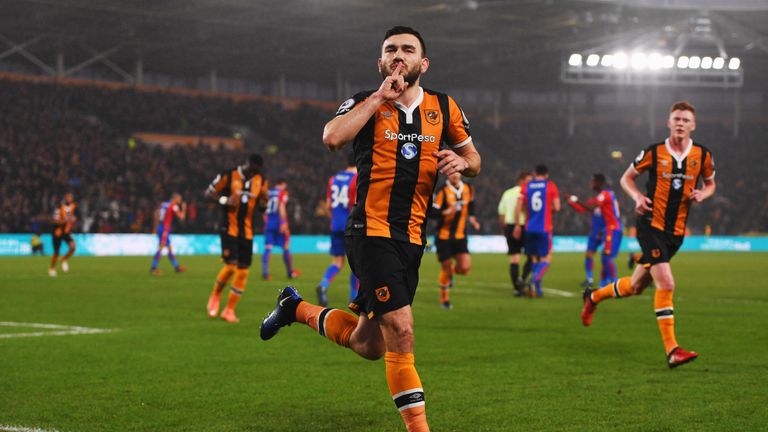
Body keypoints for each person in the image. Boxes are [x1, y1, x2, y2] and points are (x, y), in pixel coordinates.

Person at [259, 26, 481, 432]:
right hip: (370, 230)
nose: (399, 55)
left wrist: (464, 163)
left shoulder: (445, 107)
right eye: (390, 50)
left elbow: (475, 158)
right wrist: (381, 95)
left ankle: (296, 308)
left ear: (423, 63)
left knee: (369, 345)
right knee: (402, 328)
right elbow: (332, 137)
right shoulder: (365, 102)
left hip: (412, 238)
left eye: (408, 50)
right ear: (380, 62)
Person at [581, 101, 716, 369]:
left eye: (685, 120)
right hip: (649, 223)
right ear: (668, 122)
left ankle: (593, 297)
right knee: (666, 283)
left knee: (636, 286)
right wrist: (637, 197)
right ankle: (672, 350)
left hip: (675, 233)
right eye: (676, 118)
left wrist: (703, 193)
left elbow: (711, 183)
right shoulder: (654, 152)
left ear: (693, 125)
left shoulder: (703, 155)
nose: (680, 123)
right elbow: (626, 178)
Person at [204, 154, 269, 323]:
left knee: (243, 271)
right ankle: (216, 296)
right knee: (231, 267)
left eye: (256, 171)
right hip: (229, 228)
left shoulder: (261, 181)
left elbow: (262, 208)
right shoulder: (228, 175)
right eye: (252, 170)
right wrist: (225, 200)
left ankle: (229, 310)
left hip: (247, 232)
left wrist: (264, 202)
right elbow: (208, 193)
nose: (253, 174)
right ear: (246, 164)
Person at [315, 153, 359, 307]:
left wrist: (334, 220)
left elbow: (328, 206)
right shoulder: (357, 179)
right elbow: (357, 204)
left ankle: (324, 284)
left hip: (335, 226)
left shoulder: (333, 179)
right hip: (352, 226)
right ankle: (354, 298)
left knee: (337, 262)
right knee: (357, 264)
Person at [431, 172, 480, 309]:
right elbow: (432, 211)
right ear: (448, 175)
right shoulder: (442, 191)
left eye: (457, 173)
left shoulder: (468, 188)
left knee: (464, 268)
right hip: (443, 236)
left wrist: (473, 218)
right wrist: (444, 212)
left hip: (460, 236)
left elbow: (471, 204)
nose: (455, 176)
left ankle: (451, 273)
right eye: (452, 174)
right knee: (446, 267)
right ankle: (444, 299)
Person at [568, 173, 623, 288]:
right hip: (602, 229)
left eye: (593, 181)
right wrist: (571, 202)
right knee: (600, 255)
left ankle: (614, 281)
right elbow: (584, 209)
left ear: (600, 183)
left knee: (607, 256)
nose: (591, 184)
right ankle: (599, 280)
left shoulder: (605, 195)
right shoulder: (599, 198)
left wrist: (576, 200)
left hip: (610, 228)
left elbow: (590, 208)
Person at [513, 165, 560, 297]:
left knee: (534, 258)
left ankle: (538, 289)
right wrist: (547, 212)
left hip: (529, 227)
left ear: (535, 173)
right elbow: (557, 207)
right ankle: (533, 281)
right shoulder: (550, 186)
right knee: (546, 258)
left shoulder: (526, 186)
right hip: (544, 228)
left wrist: (517, 224)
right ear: (546, 174)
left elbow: (518, 207)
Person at [498, 171, 533, 297]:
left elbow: (501, 213)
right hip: (524, 226)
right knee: (531, 257)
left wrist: (504, 228)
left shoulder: (507, 193)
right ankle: (522, 280)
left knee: (514, 258)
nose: (531, 182)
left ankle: (517, 288)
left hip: (510, 226)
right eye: (529, 180)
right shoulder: (528, 192)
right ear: (522, 180)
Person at [261, 179, 300, 280]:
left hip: (269, 223)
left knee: (268, 247)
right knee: (286, 247)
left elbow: (263, 209)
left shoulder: (268, 193)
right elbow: (281, 207)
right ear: (283, 184)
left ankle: (265, 272)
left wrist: (266, 221)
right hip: (279, 223)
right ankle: (289, 272)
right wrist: (284, 223)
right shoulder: (282, 193)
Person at [150, 193, 187, 275]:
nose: (180, 201)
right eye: (179, 199)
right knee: (161, 247)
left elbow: (156, 213)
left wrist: (155, 226)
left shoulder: (163, 204)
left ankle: (177, 267)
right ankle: (153, 268)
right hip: (165, 229)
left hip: (160, 226)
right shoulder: (174, 206)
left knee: (169, 249)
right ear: (175, 199)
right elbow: (182, 217)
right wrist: (184, 209)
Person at [48, 192, 77, 277]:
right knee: (56, 253)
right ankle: (52, 268)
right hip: (57, 232)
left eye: (71, 197)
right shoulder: (59, 208)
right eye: (68, 197)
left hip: (66, 232)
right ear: (65, 198)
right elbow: (55, 221)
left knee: (73, 247)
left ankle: (64, 259)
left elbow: (70, 217)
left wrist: (73, 219)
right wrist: (64, 221)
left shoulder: (71, 207)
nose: (69, 199)